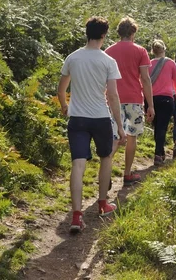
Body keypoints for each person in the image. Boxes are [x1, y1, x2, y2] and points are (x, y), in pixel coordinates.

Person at [58, 16, 127, 233]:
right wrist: (120, 126)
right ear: (104, 35)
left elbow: (61, 90)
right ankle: (102, 203)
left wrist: (64, 106)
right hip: (100, 118)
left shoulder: (73, 58)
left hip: (77, 118)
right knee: (105, 158)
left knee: (78, 165)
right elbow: (113, 97)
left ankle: (77, 216)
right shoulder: (108, 61)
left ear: (86, 32)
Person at [105, 17, 155, 186]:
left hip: (112, 98)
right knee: (132, 137)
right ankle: (127, 174)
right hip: (134, 98)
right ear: (133, 32)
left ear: (119, 32)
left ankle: (106, 173)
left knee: (113, 137)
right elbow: (146, 79)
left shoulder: (109, 51)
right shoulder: (140, 51)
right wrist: (150, 105)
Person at [149, 40, 176, 166]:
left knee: (157, 126)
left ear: (152, 51)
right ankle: (158, 154)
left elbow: (144, 83)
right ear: (164, 49)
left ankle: (160, 152)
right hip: (166, 99)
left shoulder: (148, 64)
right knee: (162, 126)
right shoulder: (170, 63)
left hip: (151, 99)